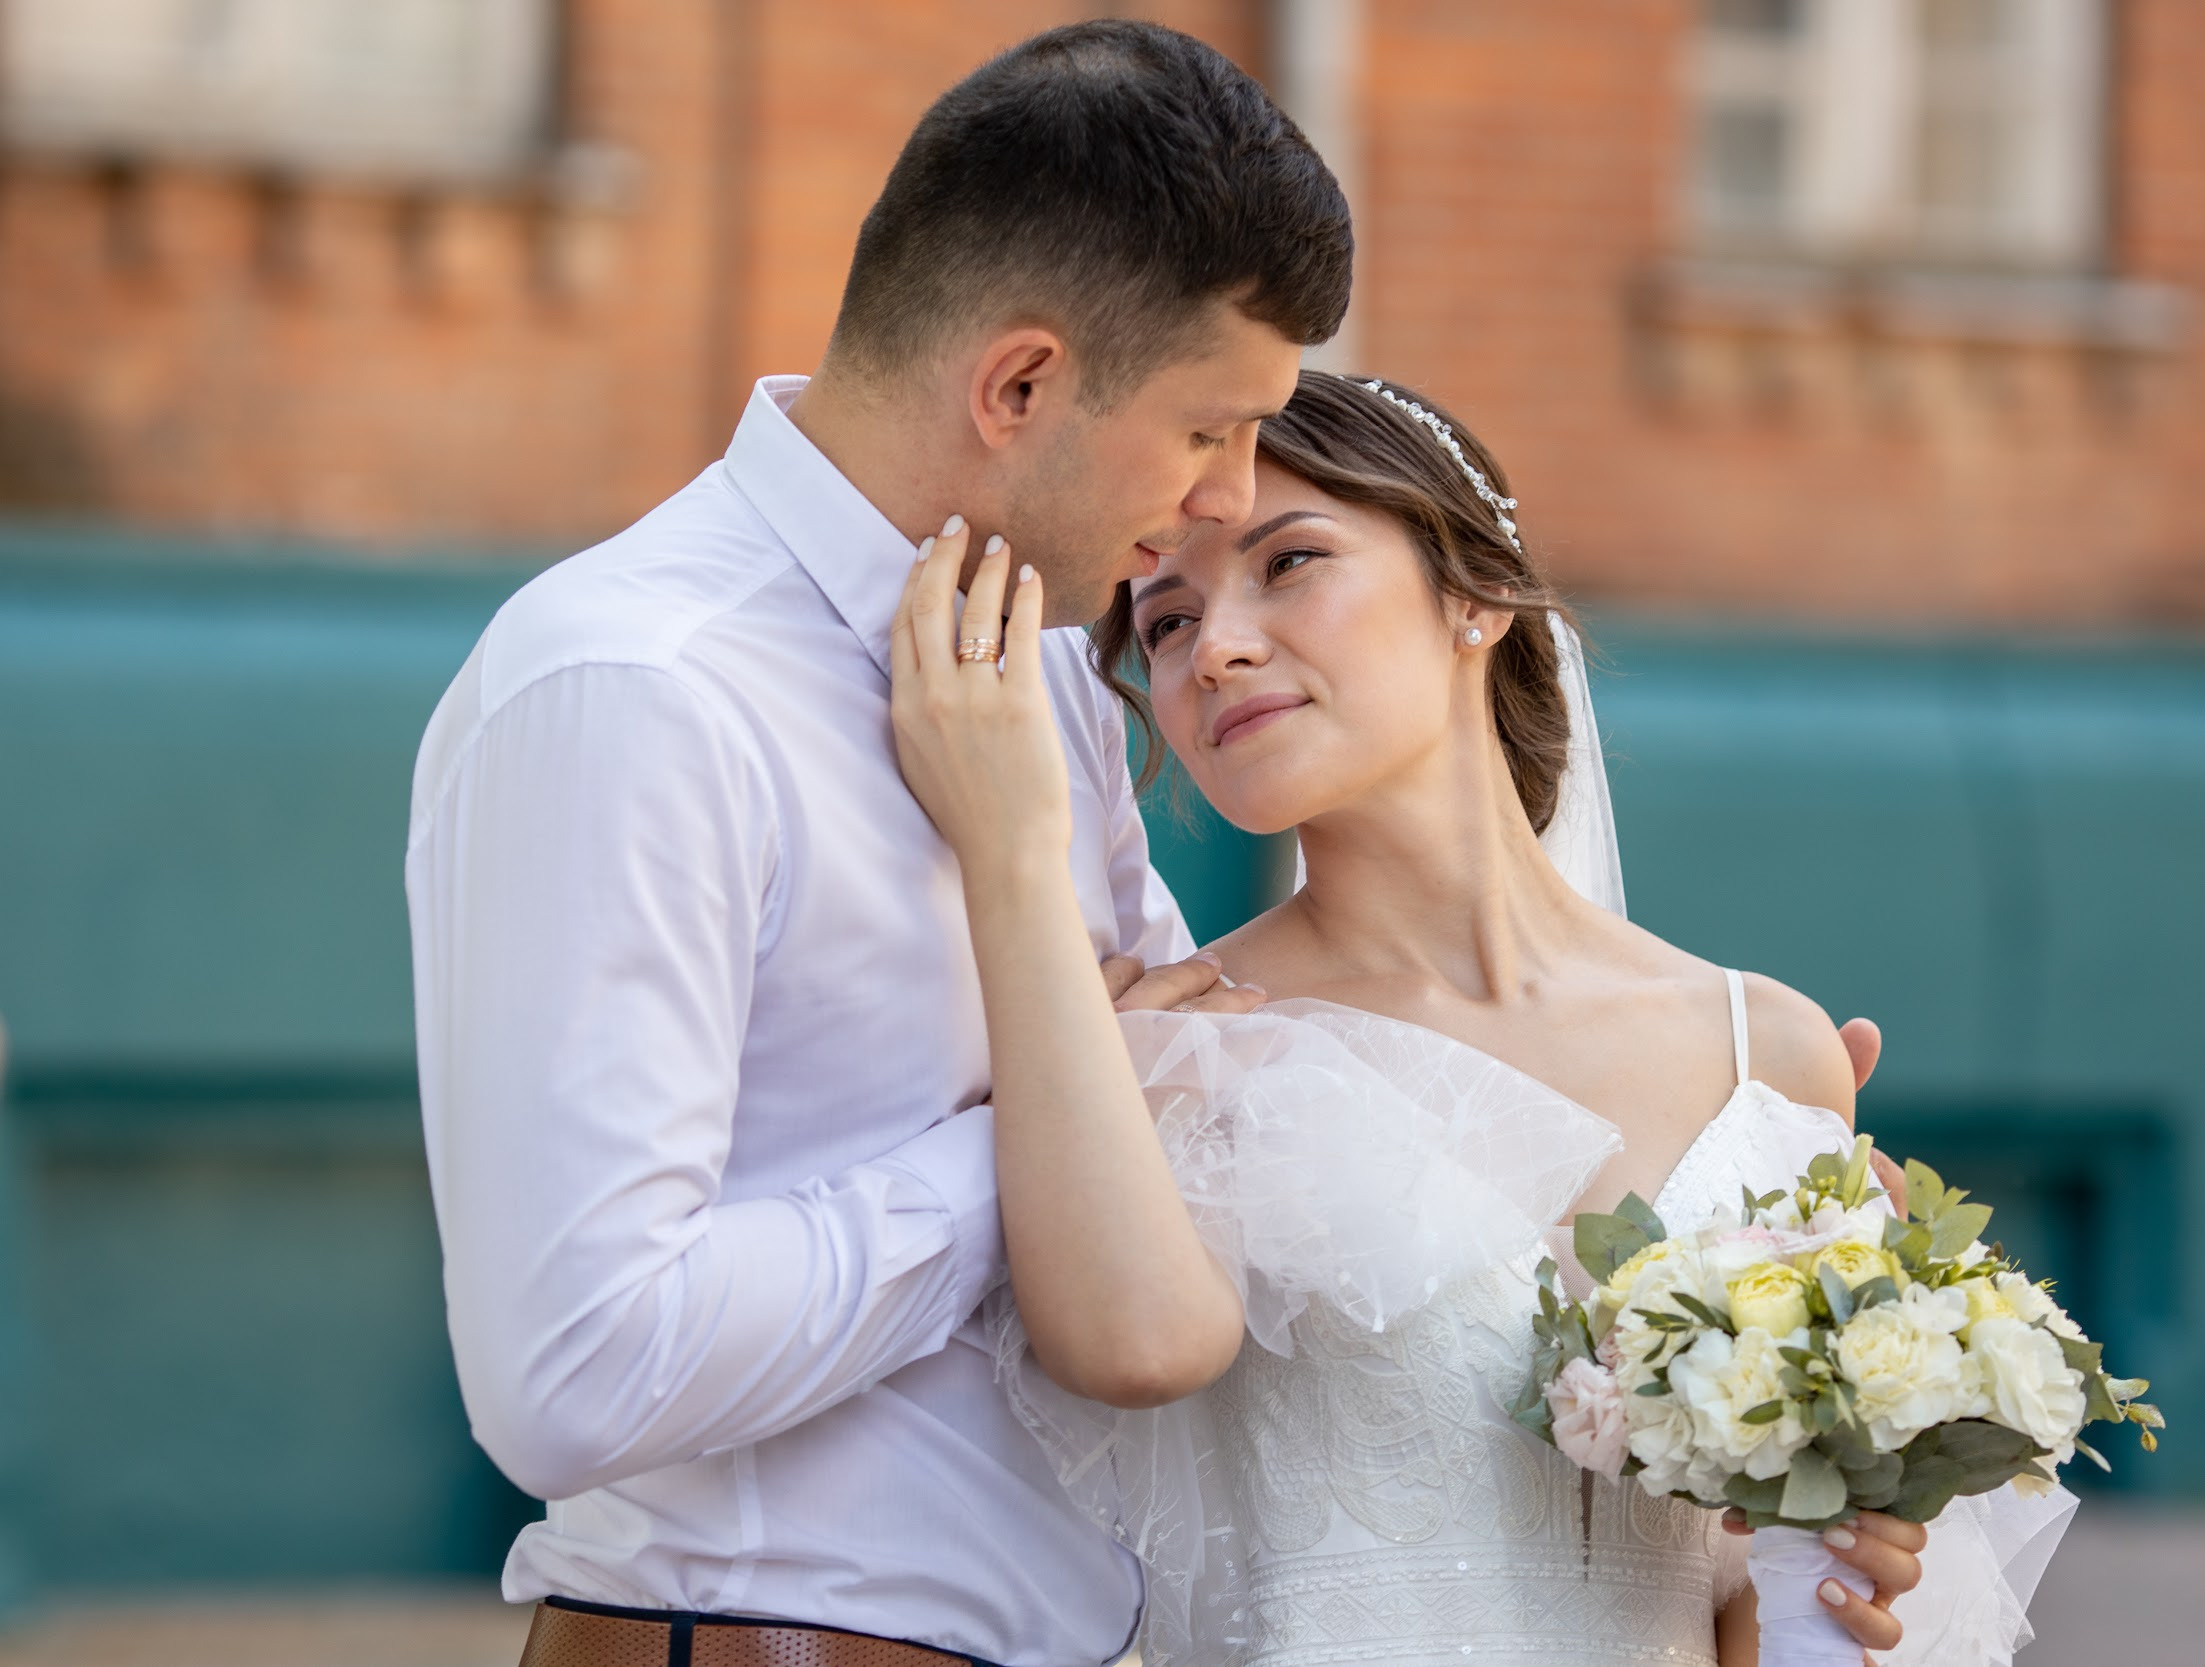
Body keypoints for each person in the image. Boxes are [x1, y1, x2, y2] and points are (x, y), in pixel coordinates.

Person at [406, 23, 1346, 1667]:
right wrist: (1020, 1151)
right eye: (1211, 427)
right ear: (1022, 385)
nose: (1227, 496)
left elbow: (1165, 1129)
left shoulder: (1050, 662)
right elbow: (573, 1373)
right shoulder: (635, 689)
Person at [888, 371, 2075, 1666]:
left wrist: (1831, 1563)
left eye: (1288, 563)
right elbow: (1119, 1360)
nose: (1215, 645)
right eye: (1166, 622)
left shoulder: (1771, 1053)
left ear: (1474, 594)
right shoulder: (1170, 1052)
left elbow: (1717, 1607)